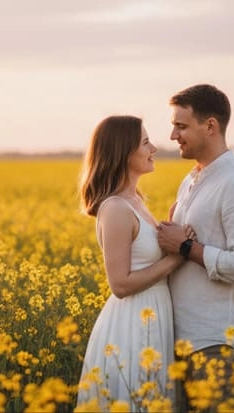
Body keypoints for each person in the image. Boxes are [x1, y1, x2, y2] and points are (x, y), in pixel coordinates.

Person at [156, 84, 234, 411]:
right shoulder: (192, 180)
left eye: (181, 126)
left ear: (210, 126)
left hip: (217, 343)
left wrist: (188, 247)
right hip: (182, 342)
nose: (172, 135)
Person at [76, 115, 190, 412]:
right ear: (123, 152)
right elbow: (120, 284)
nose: (153, 147)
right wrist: (178, 257)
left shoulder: (136, 200)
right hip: (132, 323)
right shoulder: (115, 207)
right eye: (145, 142)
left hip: (152, 315)